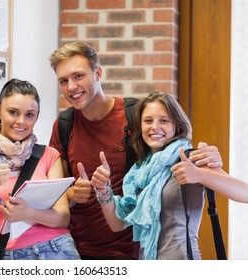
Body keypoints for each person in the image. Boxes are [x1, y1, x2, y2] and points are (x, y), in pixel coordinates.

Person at [48, 42, 223, 260]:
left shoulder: (134, 115)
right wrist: (73, 193)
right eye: (63, 81)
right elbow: (54, 193)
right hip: (78, 251)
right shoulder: (63, 126)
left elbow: (171, 150)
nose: (71, 87)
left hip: (136, 251)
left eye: (78, 76)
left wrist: (209, 159)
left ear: (98, 73)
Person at [91, 91, 224, 259]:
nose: (154, 127)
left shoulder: (191, 158)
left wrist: (200, 175)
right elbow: (118, 224)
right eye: (148, 121)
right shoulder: (140, 172)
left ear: (177, 125)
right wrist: (103, 189)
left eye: (164, 120)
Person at [0, 78, 80, 260]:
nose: (21, 121)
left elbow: (63, 218)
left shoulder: (48, 155)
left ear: (37, 116)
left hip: (58, 249)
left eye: (29, 115)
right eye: (13, 112)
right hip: (12, 255)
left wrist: (29, 213)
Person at [171, 147, 248, 203]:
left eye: (164, 123)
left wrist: (200, 174)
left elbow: (245, 193)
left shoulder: (191, 157)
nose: (158, 127)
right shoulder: (158, 159)